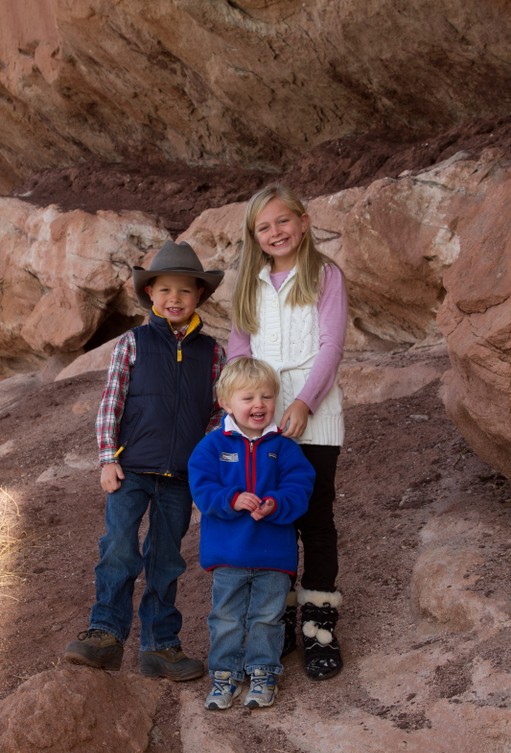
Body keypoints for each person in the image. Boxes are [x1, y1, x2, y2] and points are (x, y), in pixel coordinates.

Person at [64, 240, 225, 681]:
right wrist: (105, 458)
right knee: (118, 549)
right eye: (165, 290)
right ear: (150, 294)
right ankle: (104, 634)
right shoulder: (132, 343)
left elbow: (217, 412)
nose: (175, 299)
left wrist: (206, 460)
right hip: (130, 468)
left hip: (180, 477)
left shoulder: (211, 353)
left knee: (167, 558)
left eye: (185, 291)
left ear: (199, 297)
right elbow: (111, 402)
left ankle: (160, 646)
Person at [227, 183, 349, 681]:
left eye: (283, 221)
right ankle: (279, 619)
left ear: (302, 222)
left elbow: (331, 346)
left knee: (315, 519)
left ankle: (321, 625)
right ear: (254, 237)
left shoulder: (324, 275)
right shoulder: (249, 285)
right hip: (260, 418)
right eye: (264, 227)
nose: (275, 232)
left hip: (314, 416)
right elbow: (239, 350)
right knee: (271, 517)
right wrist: (239, 413)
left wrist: (304, 401)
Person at [188, 357, 315, 710]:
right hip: (228, 554)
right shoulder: (212, 447)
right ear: (226, 403)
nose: (258, 405)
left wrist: (275, 503)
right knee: (226, 617)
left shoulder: (285, 448)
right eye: (248, 398)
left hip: (274, 555)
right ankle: (225, 676)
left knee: (267, 617)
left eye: (266, 396)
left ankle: (263, 672)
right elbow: (201, 487)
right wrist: (231, 498)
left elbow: (300, 487)